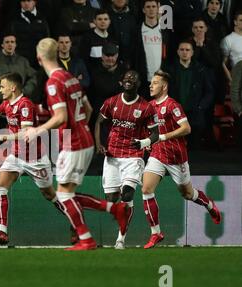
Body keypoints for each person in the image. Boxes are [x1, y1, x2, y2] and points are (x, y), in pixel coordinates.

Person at [0, 72, 128, 245]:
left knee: (52, 196)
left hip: (35, 159)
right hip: (16, 156)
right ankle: (2, 232)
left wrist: (0, 137)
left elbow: (26, 133)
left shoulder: (25, 105)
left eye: (2, 86)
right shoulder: (7, 104)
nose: (0, 89)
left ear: (13, 87)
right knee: (0, 187)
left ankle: (76, 224)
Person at [24, 38, 130, 251]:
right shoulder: (70, 78)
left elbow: (62, 116)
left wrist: (37, 130)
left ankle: (87, 238)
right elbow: (88, 109)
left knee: (62, 195)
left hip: (74, 143)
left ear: (38, 58)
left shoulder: (53, 82)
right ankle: (115, 209)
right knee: (66, 193)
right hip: (85, 137)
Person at [141, 70, 222, 248]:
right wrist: (149, 141)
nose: (151, 85)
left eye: (155, 83)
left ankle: (209, 204)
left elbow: (186, 128)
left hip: (176, 157)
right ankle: (156, 233)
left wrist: (164, 137)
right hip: (157, 155)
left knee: (187, 194)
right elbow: (151, 130)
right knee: (146, 188)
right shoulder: (149, 106)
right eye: (151, 82)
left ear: (164, 86)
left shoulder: (172, 105)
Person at [94, 70, 160, 249]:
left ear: (139, 84)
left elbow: (156, 133)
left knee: (128, 193)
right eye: (126, 77)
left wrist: (144, 142)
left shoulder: (146, 107)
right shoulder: (111, 102)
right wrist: (99, 144)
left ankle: (120, 238)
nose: (129, 79)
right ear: (121, 82)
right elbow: (99, 122)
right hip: (113, 156)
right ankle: (121, 219)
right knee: (111, 198)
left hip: (133, 156)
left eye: (133, 78)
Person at [0, 33, 38, 106]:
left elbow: (34, 77)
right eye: (7, 42)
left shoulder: (23, 61)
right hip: (0, 105)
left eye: (12, 42)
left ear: (15, 44)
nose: (10, 45)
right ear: (2, 45)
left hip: (20, 104)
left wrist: (24, 92)